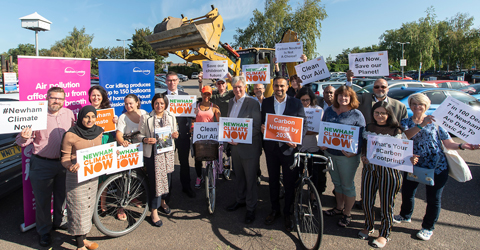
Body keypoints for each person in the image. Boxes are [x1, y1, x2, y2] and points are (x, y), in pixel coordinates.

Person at [393, 93, 477, 241]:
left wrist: (463, 146)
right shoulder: (405, 122)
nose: (417, 107)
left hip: (437, 166)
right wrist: (421, 124)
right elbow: (406, 136)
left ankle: (428, 227)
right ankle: (405, 215)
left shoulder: (436, 122)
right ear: (410, 105)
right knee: (407, 192)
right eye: (414, 104)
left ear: (426, 106)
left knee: (434, 199)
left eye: (421, 104)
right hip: (413, 163)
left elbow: (448, 143)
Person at [15, 87, 75, 247]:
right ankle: (44, 232)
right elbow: (22, 142)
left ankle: (58, 222)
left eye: (60, 99)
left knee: (62, 197)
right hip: (41, 164)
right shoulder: (37, 114)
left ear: (64, 100)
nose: (57, 101)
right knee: (42, 201)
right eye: (54, 98)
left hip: (63, 163)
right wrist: (23, 136)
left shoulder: (69, 114)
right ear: (47, 97)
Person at [358, 101, 418, 248]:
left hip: (390, 171)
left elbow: (404, 150)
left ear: (389, 114)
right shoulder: (369, 128)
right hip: (370, 169)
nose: (379, 116)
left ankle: (384, 233)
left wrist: (411, 158)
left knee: (386, 204)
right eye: (376, 113)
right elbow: (364, 147)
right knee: (366, 200)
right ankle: (369, 225)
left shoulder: (396, 131)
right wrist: (364, 156)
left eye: (383, 113)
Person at [261, 76, 306, 231]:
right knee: (272, 181)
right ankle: (275, 210)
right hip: (271, 149)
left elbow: (303, 125)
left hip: (289, 150)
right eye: (276, 86)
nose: (279, 89)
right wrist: (262, 128)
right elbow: (263, 121)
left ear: (287, 87)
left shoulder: (296, 103)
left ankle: (288, 212)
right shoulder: (266, 102)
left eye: (282, 86)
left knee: (289, 183)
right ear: (272, 86)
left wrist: (297, 141)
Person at [320, 85, 365, 227]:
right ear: (336, 97)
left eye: (346, 96)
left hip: (347, 157)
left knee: (347, 185)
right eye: (340, 95)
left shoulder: (357, 114)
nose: (343, 98)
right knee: (337, 183)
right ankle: (339, 208)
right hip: (330, 153)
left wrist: (355, 152)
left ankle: (347, 213)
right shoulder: (329, 111)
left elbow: (362, 136)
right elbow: (324, 128)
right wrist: (322, 142)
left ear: (351, 98)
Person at [61, 105, 104, 250]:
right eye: (86, 117)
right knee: (77, 207)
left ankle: (83, 238)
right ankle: (80, 246)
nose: (90, 120)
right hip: (76, 176)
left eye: (93, 117)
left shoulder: (99, 131)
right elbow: (65, 157)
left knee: (88, 206)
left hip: (92, 174)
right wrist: (69, 166)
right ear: (80, 117)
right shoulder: (71, 134)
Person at [224, 76, 262, 224]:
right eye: (235, 87)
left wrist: (240, 137)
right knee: (239, 176)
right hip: (235, 148)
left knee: (250, 179)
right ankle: (240, 200)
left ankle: (251, 208)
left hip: (249, 148)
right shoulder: (230, 102)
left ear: (245, 87)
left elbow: (257, 128)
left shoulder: (252, 103)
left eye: (240, 87)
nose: (237, 90)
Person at [138, 93, 179, 227]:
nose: (159, 106)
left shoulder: (171, 116)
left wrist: (175, 134)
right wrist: (145, 139)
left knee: (167, 179)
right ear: (152, 104)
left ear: (165, 104)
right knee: (156, 182)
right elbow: (139, 134)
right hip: (153, 155)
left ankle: (163, 202)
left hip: (167, 154)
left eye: (162, 103)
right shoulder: (146, 118)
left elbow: (174, 131)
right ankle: (153, 211)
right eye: (156, 103)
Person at [113, 94, 147, 220]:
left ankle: (133, 197)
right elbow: (119, 134)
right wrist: (122, 142)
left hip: (141, 148)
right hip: (129, 149)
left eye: (131, 103)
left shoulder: (143, 113)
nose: (128, 106)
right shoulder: (123, 117)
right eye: (126, 104)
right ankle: (120, 206)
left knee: (138, 175)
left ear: (137, 102)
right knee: (125, 177)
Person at [163, 71, 196, 198]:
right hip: (166, 135)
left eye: (174, 80)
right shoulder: (161, 97)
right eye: (169, 80)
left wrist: (194, 114)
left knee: (184, 162)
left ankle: (186, 187)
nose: (172, 83)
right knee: (167, 163)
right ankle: (167, 190)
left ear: (178, 81)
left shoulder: (185, 96)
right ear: (166, 82)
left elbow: (190, 115)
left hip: (183, 133)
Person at [198, 73, 235, 178]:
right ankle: (217, 165)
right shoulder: (214, 95)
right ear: (216, 85)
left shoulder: (231, 93)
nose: (221, 85)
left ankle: (227, 166)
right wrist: (200, 80)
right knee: (216, 147)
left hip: (228, 124)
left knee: (227, 149)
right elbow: (203, 92)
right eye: (219, 83)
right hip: (215, 125)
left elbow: (238, 87)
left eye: (223, 83)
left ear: (226, 84)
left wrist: (231, 77)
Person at [295, 87, 326, 196]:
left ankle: (314, 197)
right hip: (299, 147)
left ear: (311, 99)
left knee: (315, 175)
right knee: (297, 174)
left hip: (314, 147)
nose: (305, 102)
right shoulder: (295, 109)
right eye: (302, 100)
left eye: (307, 100)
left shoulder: (318, 110)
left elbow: (319, 130)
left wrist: (303, 131)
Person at [193, 85, 221, 188]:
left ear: (211, 94)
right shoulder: (196, 106)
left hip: (210, 136)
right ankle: (199, 176)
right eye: (204, 93)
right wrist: (192, 127)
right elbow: (193, 120)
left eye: (208, 94)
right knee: (197, 158)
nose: (206, 96)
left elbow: (220, 121)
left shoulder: (214, 107)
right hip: (198, 136)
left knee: (212, 157)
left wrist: (219, 115)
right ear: (201, 93)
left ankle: (212, 174)